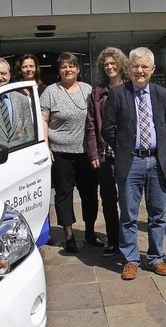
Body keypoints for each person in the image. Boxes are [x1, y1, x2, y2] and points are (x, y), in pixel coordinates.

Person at [101, 47, 166, 280]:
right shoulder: (117, 94)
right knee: (129, 215)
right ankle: (131, 260)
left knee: (157, 214)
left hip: (156, 161)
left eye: (144, 66)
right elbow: (107, 129)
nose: (139, 70)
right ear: (129, 68)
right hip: (130, 162)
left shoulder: (163, 95)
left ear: (152, 69)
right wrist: (125, 147)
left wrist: (156, 148)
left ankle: (156, 258)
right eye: (135, 66)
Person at [40, 52, 98, 253]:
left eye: (72, 66)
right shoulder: (50, 91)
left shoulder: (88, 90)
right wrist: (46, 147)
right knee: (64, 194)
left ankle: (90, 233)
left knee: (89, 193)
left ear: (78, 69)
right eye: (64, 67)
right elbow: (43, 121)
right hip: (61, 152)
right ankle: (69, 237)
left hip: (86, 152)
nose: (68, 70)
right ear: (59, 71)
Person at [86, 47, 128, 257]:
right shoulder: (97, 92)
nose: (110, 67)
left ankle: (128, 243)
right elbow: (91, 125)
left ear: (121, 64)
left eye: (113, 63)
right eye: (106, 64)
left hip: (128, 155)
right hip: (105, 154)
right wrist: (93, 153)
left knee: (129, 201)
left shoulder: (131, 88)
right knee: (109, 201)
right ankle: (113, 242)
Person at [0, 58, 34, 147]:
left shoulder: (22, 99)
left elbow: (29, 132)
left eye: (3, 73)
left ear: (9, 75)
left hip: (19, 152)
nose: (0, 78)